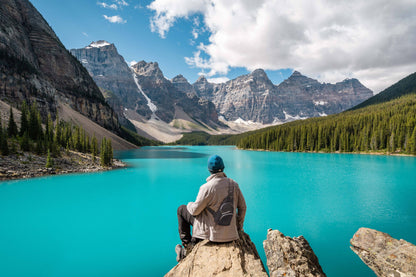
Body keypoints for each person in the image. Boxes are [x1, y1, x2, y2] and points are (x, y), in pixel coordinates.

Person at [175, 154, 247, 262]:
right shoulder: (234, 184)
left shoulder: (207, 187)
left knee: (181, 209)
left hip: (213, 236)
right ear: (223, 168)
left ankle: (187, 246)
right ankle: (192, 243)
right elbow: (243, 207)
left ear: (209, 170)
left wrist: (190, 204)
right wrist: (238, 227)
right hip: (231, 234)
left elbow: (195, 211)